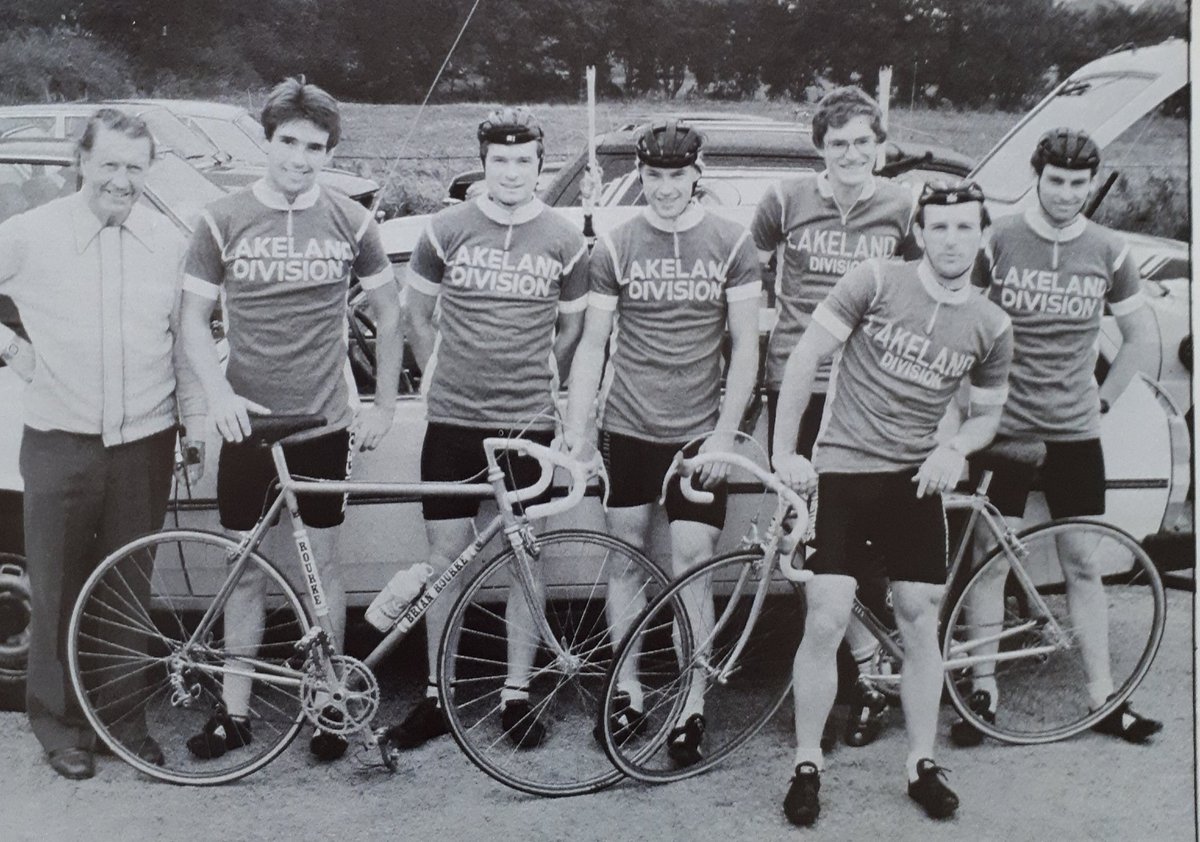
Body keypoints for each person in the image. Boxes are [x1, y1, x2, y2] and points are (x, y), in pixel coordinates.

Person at [773, 181, 1013, 825]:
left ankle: (921, 763)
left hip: (915, 480)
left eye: (965, 227)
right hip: (845, 469)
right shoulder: (875, 280)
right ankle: (806, 763)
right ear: (921, 232)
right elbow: (804, 359)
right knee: (825, 616)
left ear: (982, 233)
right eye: (939, 227)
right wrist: (784, 451)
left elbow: (987, 418)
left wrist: (956, 447)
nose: (953, 239)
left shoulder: (992, 324)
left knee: (918, 619)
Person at [180, 78, 402, 761]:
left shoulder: (352, 220)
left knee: (321, 569)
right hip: (245, 424)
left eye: (315, 147)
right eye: (288, 143)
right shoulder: (221, 217)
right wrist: (215, 393)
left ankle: (328, 703)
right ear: (267, 142)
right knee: (244, 570)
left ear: (329, 151)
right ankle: (235, 712)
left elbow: (389, 314)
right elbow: (189, 315)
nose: (300, 158)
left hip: (322, 424)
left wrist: (386, 405)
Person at [0, 107, 206, 779]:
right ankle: (58, 728)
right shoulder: (30, 233)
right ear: (81, 161)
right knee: (55, 585)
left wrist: (193, 418)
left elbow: (184, 339)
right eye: (110, 163)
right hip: (60, 438)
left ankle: (121, 722)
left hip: (145, 440)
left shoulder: (167, 240)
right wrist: (13, 351)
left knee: (123, 586)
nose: (121, 179)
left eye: (135, 168)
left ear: (150, 173)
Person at [949, 127, 1162, 746]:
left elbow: (1141, 340)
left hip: (1073, 432)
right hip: (1003, 428)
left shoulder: (1109, 249)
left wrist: (1099, 400)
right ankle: (982, 689)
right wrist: (967, 406)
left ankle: (1105, 697)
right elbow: (966, 322)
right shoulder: (1000, 238)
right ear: (1038, 177)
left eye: (1078, 183)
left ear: (1092, 183)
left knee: (1082, 564)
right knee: (990, 563)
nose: (1066, 193)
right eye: (1056, 181)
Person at [384, 107, 589, 749]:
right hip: (451, 422)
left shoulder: (565, 237)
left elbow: (573, 329)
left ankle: (516, 695)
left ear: (539, 165)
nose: (510, 171)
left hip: (527, 426)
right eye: (499, 160)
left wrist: (533, 382)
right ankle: (437, 696)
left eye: (523, 161)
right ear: (483, 163)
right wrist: (437, 374)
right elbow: (417, 316)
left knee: (526, 558)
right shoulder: (445, 230)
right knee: (444, 561)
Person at [565, 120, 761, 766]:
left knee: (691, 561)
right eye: (654, 177)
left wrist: (725, 436)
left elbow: (746, 350)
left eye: (678, 176)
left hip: (699, 431)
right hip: (629, 427)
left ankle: (694, 700)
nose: (667, 188)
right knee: (624, 559)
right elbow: (594, 344)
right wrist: (581, 430)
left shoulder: (732, 242)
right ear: (642, 176)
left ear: (697, 172)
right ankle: (627, 688)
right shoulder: (616, 245)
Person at [751, 85, 919, 747]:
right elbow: (752, 278)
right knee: (806, 545)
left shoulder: (904, 207)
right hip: (796, 387)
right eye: (839, 142)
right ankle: (854, 673)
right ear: (820, 146)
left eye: (864, 143)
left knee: (860, 547)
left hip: (870, 396)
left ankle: (869, 684)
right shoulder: (784, 200)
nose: (852, 154)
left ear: (879, 147)